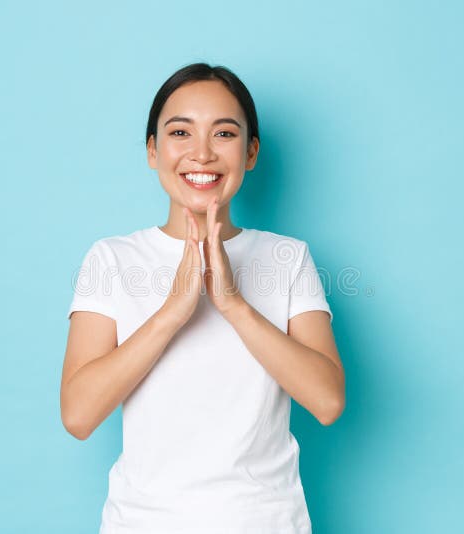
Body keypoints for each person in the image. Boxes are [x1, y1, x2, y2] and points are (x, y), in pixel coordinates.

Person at [61, 62, 345, 533]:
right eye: (179, 132)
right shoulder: (110, 259)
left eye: (225, 134)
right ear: (153, 150)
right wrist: (171, 313)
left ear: (251, 152)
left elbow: (328, 401)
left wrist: (234, 304)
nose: (202, 153)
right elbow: (78, 414)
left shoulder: (288, 258)